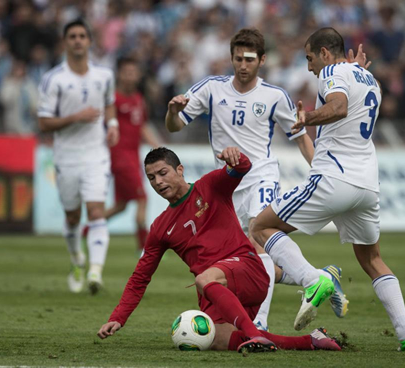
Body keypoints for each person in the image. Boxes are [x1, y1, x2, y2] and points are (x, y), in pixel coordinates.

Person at [251, 27, 405, 352]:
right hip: (368, 184)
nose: (309, 66)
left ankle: (314, 280)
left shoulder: (331, 71)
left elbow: (339, 106)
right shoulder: (368, 78)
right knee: (372, 258)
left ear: (326, 54)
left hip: (335, 177)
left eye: (310, 58)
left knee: (260, 226)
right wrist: (355, 68)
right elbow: (352, 98)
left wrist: (307, 118)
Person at [165, 28, 348, 331]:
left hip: (261, 175)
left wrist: (321, 172)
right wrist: (173, 112)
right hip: (227, 187)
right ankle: (320, 277)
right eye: (238, 58)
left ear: (262, 60)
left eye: (249, 59)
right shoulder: (212, 89)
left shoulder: (275, 96)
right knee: (250, 259)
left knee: (259, 237)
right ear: (232, 58)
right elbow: (174, 127)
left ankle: (259, 325)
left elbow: (301, 138)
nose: (243, 65)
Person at [97, 146, 341, 353]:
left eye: (163, 173)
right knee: (215, 340)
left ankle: (255, 334)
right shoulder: (160, 227)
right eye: (151, 178)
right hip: (216, 292)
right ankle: (311, 341)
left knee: (205, 278)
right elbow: (140, 277)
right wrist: (118, 317)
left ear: (179, 170)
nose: (158, 182)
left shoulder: (210, 186)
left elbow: (242, 168)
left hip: (246, 269)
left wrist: (236, 156)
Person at [37, 19, 119, 295]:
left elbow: (108, 105)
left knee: (96, 211)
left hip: (96, 154)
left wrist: (113, 126)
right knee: (72, 217)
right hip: (66, 156)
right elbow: (44, 123)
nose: (78, 40)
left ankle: (95, 271)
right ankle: (76, 260)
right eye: (72, 36)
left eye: (82, 36)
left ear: (89, 41)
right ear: (65, 42)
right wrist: (76, 117)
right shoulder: (54, 79)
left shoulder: (104, 76)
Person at [105, 57, 160, 252]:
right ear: (119, 74)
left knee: (121, 205)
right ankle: (143, 248)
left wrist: (157, 146)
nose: (130, 76)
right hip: (120, 157)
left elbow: (142, 126)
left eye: (133, 72)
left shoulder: (138, 99)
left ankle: (88, 229)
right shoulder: (113, 100)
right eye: (126, 72)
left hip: (134, 157)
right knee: (142, 198)